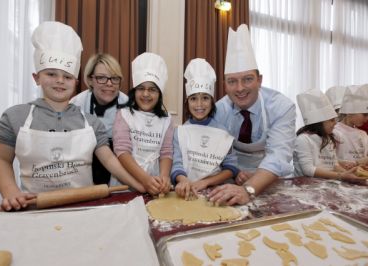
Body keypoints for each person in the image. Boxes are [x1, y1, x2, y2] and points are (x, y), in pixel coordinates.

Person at [0, 21, 144, 212]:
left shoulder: (91, 122)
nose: (60, 81)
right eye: (51, 74)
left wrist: (140, 186)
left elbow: (112, 162)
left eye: (67, 76)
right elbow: (0, 160)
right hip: (34, 209)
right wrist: (11, 192)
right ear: (36, 77)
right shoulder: (15, 117)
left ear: (76, 81)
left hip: (84, 210)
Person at [208, 24, 296, 205]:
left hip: (271, 178)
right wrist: (235, 172)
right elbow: (216, 155)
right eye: (232, 81)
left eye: (247, 79)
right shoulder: (219, 111)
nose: (240, 88)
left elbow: (278, 155)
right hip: (233, 178)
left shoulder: (281, 107)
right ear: (224, 84)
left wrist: (250, 186)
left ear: (260, 80)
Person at [171, 59, 241, 200]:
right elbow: (177, 164)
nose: (199, 104)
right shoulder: (181, 132)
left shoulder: (222, 133)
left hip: (217, 192)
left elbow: (231, 168)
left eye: (205, 98)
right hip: (188, 191)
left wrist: (206, 182)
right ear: (187, 102)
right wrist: (183, 181)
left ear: (212, 101)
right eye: (193, 99)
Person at [112, 52, 174, 196]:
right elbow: (122, 152)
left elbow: (166, 152)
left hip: (156, 184)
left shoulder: (167, 120)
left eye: (152, 89)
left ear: (159, 94)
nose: (146, 94)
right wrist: (145, 179)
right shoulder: (124, 115)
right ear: (135, 91)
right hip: (126, 183)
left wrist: (164, 178)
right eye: (141, 88)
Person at [70, 53, 128, 185]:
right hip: (84, 169)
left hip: (119, 172)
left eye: (114, 78)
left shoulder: (129, 106)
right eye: (101, 78)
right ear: (90, 80)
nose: (109, 84)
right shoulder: (76, 105)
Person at [293, 89, 360, 182]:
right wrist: (341, 175)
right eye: (331, 120)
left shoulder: (328, 138)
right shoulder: (303, 139)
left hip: (326, 184)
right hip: (305, 186)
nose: (335, 123)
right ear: (319, 122)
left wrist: (349, 174)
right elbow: (308, 170)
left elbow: (334, 164)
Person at [333, 84, 368, 166]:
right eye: (364, 114)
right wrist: (355, 163)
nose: (367, 119)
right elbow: (328, 161)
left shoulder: (363, 135)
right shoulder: (335, 132)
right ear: (349, 112)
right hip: (340, 177)